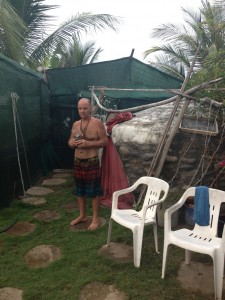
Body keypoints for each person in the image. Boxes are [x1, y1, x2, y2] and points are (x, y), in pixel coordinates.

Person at [68, 98, 108, 230]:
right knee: (80, 191)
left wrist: (88, 143)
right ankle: (82, 215)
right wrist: (71, 143)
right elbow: (70, 141)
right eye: (80, 108)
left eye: (85, 108)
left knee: (94, 191)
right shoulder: (75, 124)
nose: (82, 111)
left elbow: (104, 141)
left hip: (92, 161)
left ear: (90, 108)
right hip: (77, 161)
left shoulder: (97, 123)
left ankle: (95, 218)